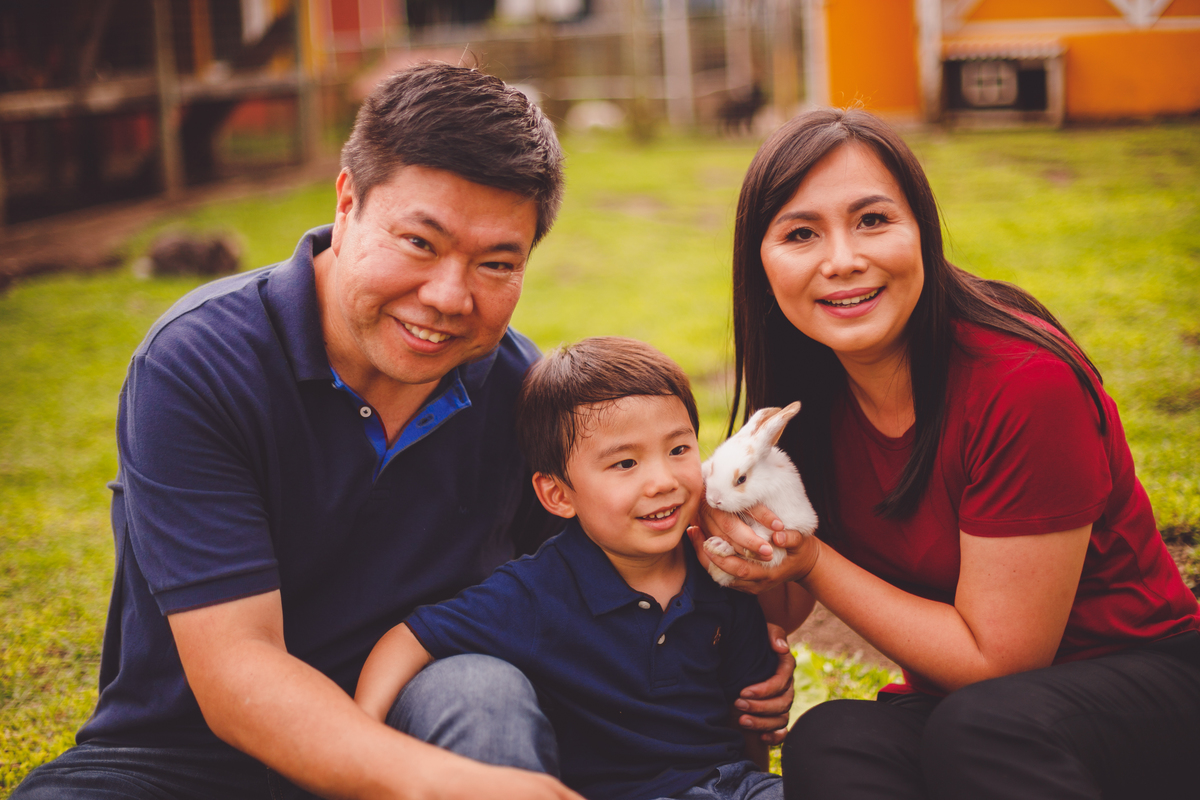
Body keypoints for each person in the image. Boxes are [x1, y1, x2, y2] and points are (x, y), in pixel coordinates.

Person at [14, 62, 794, 800]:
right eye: (419, 242)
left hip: (433, 724)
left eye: (497, 263)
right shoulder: (199, 362)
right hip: (186, 761)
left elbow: (614, 545)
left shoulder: (522, 395)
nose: (450, 296)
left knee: (480, 690)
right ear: (347, 202)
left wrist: (720, 579)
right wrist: (435, 785)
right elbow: (237, 668)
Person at [688, 107, 1200, 799]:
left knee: (983, 726)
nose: (843, 259)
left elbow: (1000, 663)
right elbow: (780, 607)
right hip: (974, 711)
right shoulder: (809, 393)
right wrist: (735, 554)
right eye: (801, 233)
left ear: (921, 232)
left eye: (873, 220)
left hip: (1145, 689)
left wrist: (811, 559)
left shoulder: (1021, 382)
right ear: (763, 263)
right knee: (833, 741)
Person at [356, 336, 788, 800]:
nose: (662, 481)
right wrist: (361, 748)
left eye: (679, 450)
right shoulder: (536, 593)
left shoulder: (718, 568)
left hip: (733, 784)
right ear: (558, 495)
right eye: (625, 463)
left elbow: (750, 714)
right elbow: (408, 639)